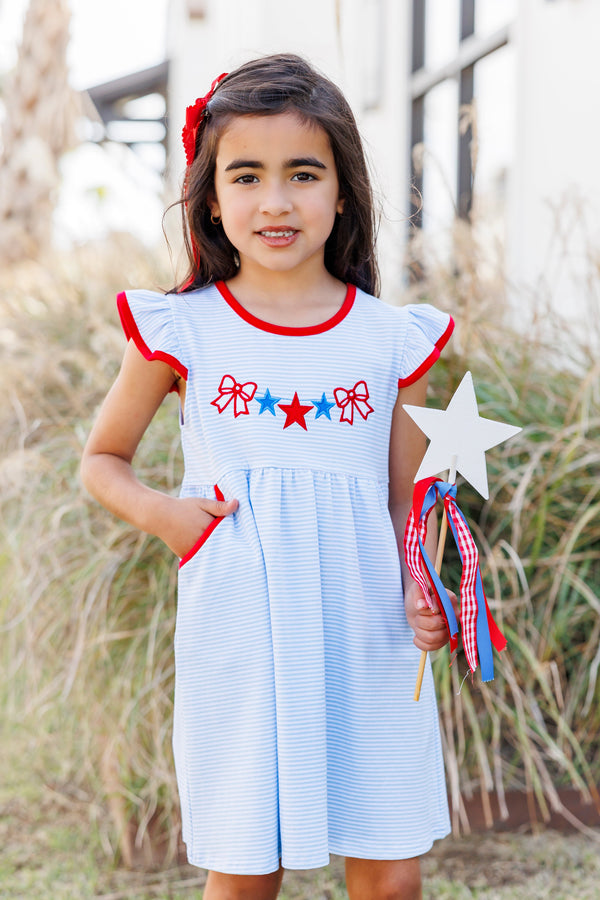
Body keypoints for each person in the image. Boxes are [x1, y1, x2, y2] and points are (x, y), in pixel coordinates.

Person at [81, 53, 455, 900]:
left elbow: (407, 494)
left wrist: (419, 585)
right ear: (211, 197)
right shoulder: (186, 330)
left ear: (343, 191)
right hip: (242, 630)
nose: (276, 201)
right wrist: (168, 518)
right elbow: (102, 460)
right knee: (248, 871)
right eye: (246, 176)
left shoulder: (394, 341)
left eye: (304, 174)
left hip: (371, 630)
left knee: (392, 875)